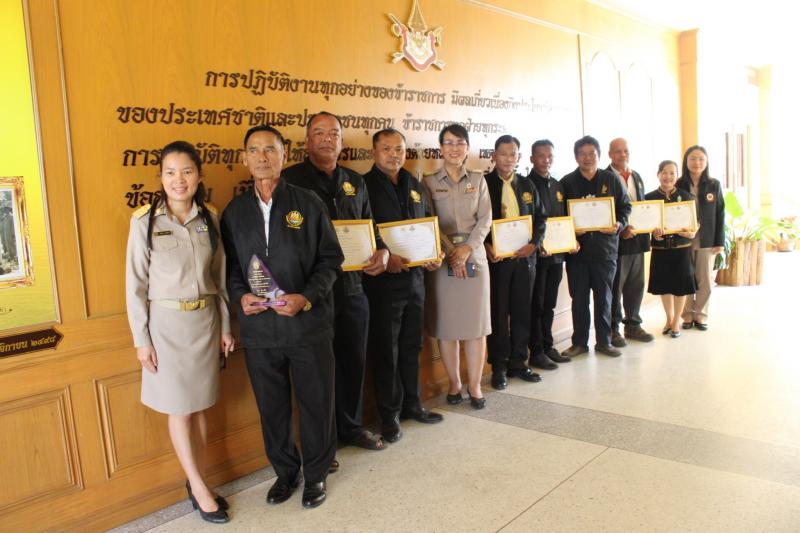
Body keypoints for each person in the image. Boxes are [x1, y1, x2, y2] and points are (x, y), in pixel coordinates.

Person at [220, 125, 343, 509]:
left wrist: (305, 297)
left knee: (316, 402)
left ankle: (317, 474)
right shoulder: (235, 212)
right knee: (271, 407)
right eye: (254, 151)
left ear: (284, 155)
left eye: (270, 150)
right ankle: (286, 472)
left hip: (307, 324)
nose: (262, 157)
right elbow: (230, 267)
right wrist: (240, 296)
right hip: (260, 330)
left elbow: (331, 261)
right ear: (244, 159)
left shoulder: (307, 202)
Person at [126, 141, 235, 524]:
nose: (179, 180)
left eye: (186, 171)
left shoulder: (210, 218)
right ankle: (201, 490)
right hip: (166, 328)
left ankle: (197, 481)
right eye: (170, 172)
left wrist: (225, 326)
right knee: (180, 409)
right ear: (160, 177)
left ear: (199, 175)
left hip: (204, 323)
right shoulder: (145, 221)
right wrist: (141, 340)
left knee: (200, 405)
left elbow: (220, 279)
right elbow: (135, 285)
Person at [282, 111, 389, 451]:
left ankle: (351, 427)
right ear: (307, 141)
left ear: (342, 141)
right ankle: (322, 444)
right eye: (319, 132)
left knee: (353, 362)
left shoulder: (354, 181)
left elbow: (370, 227)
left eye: (334, 133)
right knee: (316, 372)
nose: (327, 139)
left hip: (354, 288)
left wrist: (383, 252)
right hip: (313, 292)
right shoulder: (290, 181)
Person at [362, 128, 444, 443]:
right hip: (383, 284)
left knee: (412, 345)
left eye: (399, 149)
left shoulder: (414, 184)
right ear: (374, 152)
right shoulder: (363, 186)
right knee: (387, 350)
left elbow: (427, 225)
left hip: (415, 280)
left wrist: (434, 253)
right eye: (387, 149)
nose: (394, 154)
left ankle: (413, 404)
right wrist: (387, 255)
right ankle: (390, 416)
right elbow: (366, 230)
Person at [422, 123, 492, 409]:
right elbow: (429, 221)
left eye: (460, 143)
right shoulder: (428, 181)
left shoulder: (478, 178)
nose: (454, 148)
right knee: (447, 326)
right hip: (443, 259)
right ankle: (454, 384)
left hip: (474, 257)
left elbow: (485, 219)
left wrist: (467, 250)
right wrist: (453, 252)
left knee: (476, 327)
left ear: (467, 147)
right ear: (441, 148)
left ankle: (475, 385)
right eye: (448, 143)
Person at [560, 135, 632, 358]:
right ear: (576, 157)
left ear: (599, 155)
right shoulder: (567, 182)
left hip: (605, 251)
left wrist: (618, 224)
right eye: (582, 154)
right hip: (577, 253)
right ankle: (579, 343)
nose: (587, 158)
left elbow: (625, 207)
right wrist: (571, 232)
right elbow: (559, 215)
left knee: (604, 299)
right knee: (579, 300)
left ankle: (604, 341)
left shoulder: (611, 180)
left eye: (592, 153)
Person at [484, 135, 546, 389]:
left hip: (524, 259)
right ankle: (499, 366)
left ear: (519, 157)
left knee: (522, 311)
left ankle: (519, 363)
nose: (508, 159)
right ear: (493, 156)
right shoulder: (484, 184)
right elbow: (476, 221)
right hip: (497, 260)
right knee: (498, 314)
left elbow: (541, 219)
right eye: (503, 154)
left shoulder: (528, 184)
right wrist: (486, 245)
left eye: (513, 154)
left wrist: (534, 243)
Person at [527, 140, 572, 369]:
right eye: (541, 156)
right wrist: (537, 242)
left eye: (550, 156)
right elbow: (529, 221)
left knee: (550, 304)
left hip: (556, 256)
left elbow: (564, 219)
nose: (546, 160)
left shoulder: (557, 185)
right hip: (537, 257)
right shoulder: (526, 185)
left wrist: (570, 240)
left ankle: (547, 346)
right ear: (531, 159)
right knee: (537, 305)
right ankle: (536, 351)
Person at [606, 138, 655, 347]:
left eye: (625, 150)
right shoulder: (605, 178)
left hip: (638, 240)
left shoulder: (636, 176)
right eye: (617, 151)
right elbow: (605, 211)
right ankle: (613, 329)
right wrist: (621, 228)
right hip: (618, 242)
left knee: (636, 285)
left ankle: (633, 324)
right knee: (616, 287)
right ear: (610, 154)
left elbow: (642, 207)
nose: (622, 155)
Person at [645, 160, 698, 337]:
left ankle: (676, 321)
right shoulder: (649, 198)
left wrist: (692, 232)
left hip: (682, 249)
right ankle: (668, 319)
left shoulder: (686, 197)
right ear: (658, 174)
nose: (668, 177)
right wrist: (654, 234)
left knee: (681, 286)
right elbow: (645, 224)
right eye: (664, 172)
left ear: (677, 176)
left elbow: (695, 222)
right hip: (660, 249)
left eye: (672, 173)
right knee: (664, 285)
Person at [675, 145, 724, 331]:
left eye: (701, 159)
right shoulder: (679, 184)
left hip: (707, 239)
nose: (697, 162)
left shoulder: (713, 184)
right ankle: (687, 315)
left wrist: (719, 241)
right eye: (693, 158)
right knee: (685, 278)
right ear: (686, 161)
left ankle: (701, 315)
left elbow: (720, 213)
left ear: (707, 162)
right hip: (684, 239)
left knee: (705, 280)